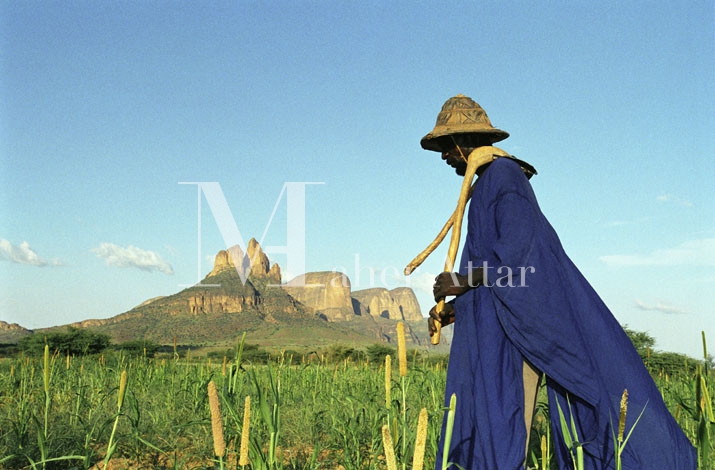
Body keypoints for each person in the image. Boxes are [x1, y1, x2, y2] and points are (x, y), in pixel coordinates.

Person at [421, 95, 697, 469]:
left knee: (506, 420)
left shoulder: (504, 178)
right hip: (498, 327)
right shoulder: (484, 186)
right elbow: (497, 276)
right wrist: (457, 308)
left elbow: (520, 259)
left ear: (462, 140)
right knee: (494, 419)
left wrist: (461, 280)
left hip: (518, 334)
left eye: (444, 147)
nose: (443, 156)